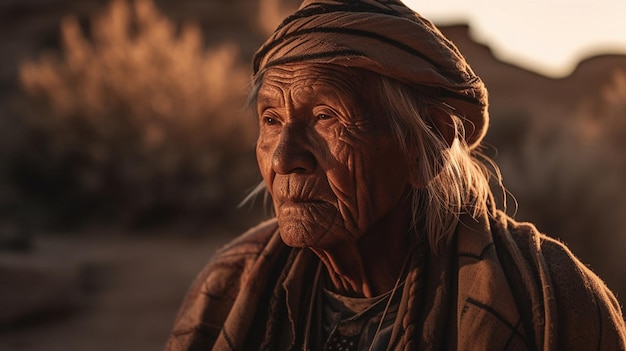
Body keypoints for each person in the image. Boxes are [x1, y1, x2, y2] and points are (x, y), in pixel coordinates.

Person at [164, 0, 626, 350]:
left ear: (430, 147)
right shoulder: (228, 285)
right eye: (270, 120)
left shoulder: (553, 302)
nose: (284, 158)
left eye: (327, 117)